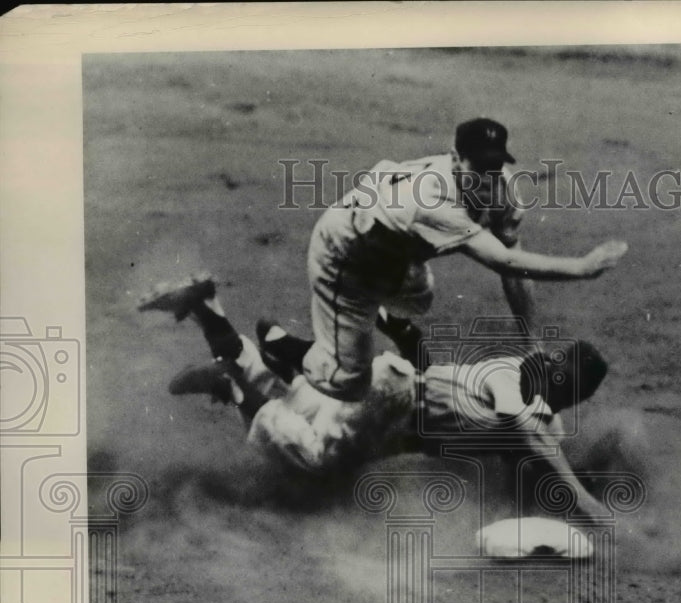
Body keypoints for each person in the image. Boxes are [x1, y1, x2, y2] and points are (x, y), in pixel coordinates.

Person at [138, 276, 610, 521]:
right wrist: (600, 515)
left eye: (555, 367)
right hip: (392, 403)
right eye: (553, 361)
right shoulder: (527, 410)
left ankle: (210, 311)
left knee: (296, 404)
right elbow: (535, 441)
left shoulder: (532, 383)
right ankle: (235, 384)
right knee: (313, 462)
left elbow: (532, 455)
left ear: (562, 384)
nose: (545, 363)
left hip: (380, 398)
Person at [299, 117, 627, 403]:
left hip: (396, 255)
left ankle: (393, 320)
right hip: (345, 258)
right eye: (478, 168)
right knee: (348, 383)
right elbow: (503, 262)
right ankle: (285, 350)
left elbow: (513, 262)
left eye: (494, 167)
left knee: (420, 294)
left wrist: (533, 345)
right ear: (456, 159)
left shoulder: (503, 188)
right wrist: (582, 268)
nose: (487, 178)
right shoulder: (430, 199)